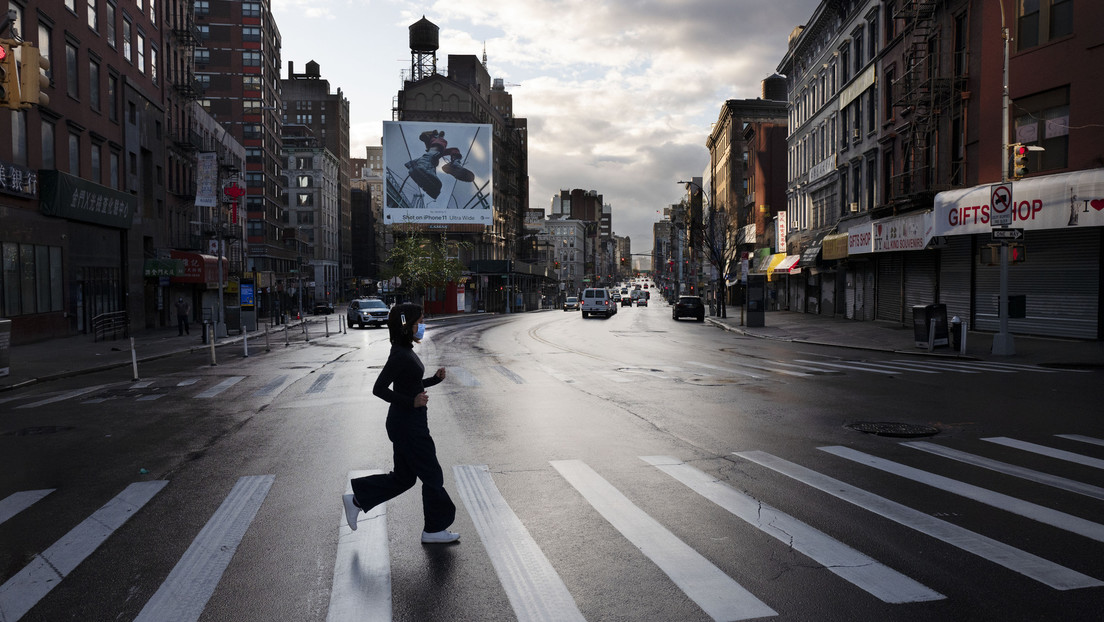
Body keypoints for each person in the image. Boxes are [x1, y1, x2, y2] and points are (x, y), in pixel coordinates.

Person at [342, 303, 459, 543]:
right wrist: (411, 403)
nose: (422, 326)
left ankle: (357, 499)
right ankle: (434, 530)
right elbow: (379, 388)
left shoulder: (404, 349)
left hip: (407, 423)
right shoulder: (399, 354)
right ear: (407, 326)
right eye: (418, 322)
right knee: (432, 475)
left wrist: (433, 381)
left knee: (404, 478)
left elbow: (410, 383)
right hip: (408, 425)